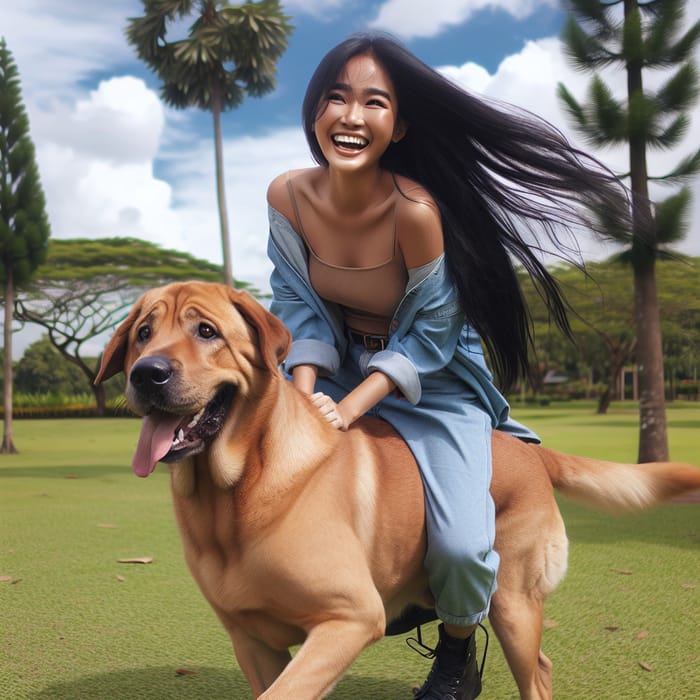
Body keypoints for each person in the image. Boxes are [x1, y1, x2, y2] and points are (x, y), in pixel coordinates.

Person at [266, 32, 632, 700]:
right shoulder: (287, 196)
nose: (351, 116)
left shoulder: (415, 212)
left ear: (398, 124)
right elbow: (296, 303)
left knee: (463, 547)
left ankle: (458, 649)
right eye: (336, 98)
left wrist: (347, 412)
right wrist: (306, 391)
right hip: (340, 367)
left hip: (432, 385)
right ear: (314, 111)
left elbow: (430, 335)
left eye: (373, 102)